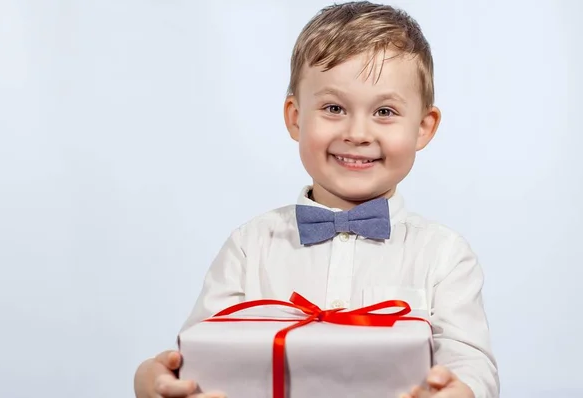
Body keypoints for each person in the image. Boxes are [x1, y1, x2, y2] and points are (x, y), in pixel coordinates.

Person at [133, 2, 499, 397]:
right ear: (295, 117)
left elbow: (470, 362)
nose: (358, 132)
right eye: (334, 108)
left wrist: (459, 390)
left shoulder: (445, 256)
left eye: (385, 111)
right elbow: (201, 354)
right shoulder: (248, 247)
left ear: (423, 128)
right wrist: (153, 379)